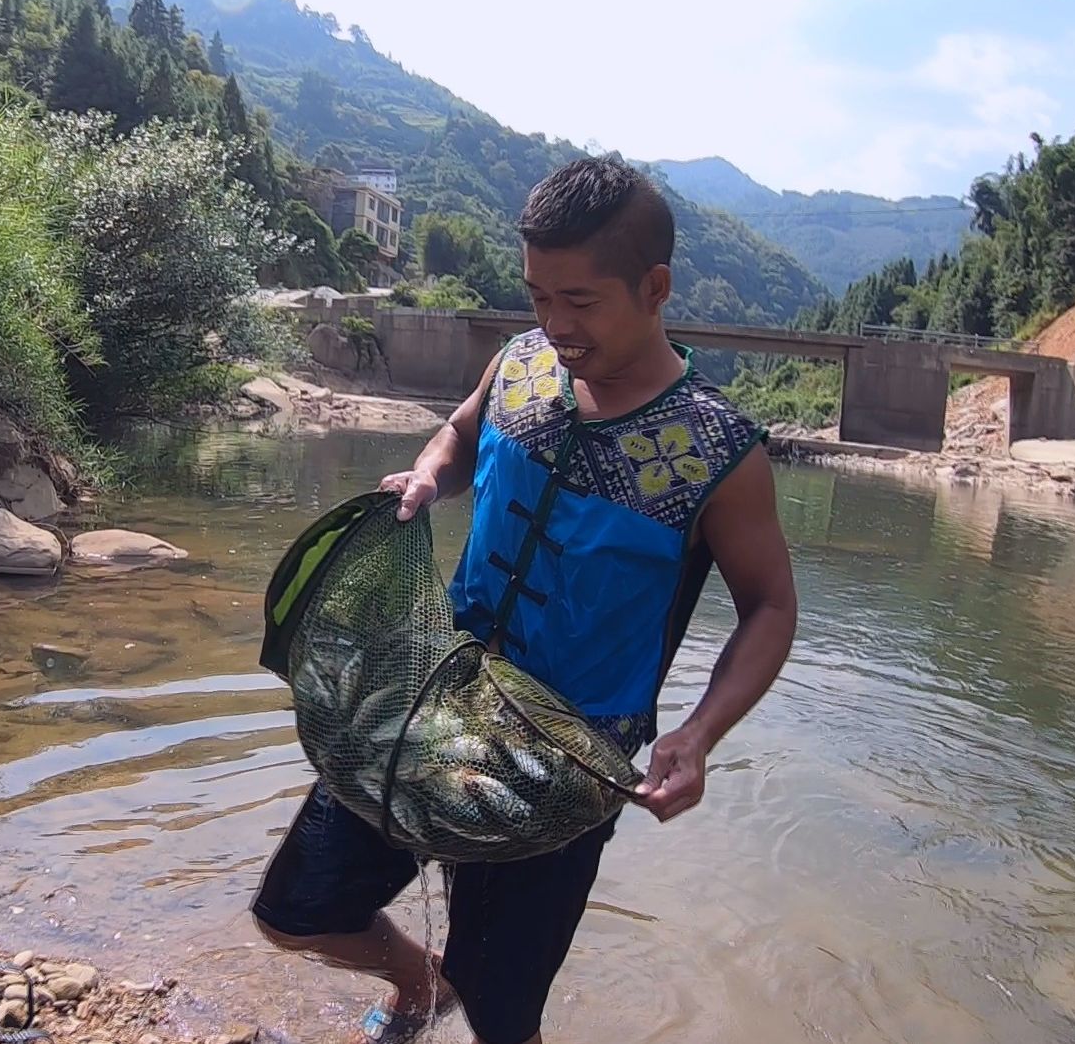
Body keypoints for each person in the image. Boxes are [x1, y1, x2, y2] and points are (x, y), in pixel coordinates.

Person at [250, 157, 799, 1044]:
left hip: (564, 765)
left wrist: (696, 737)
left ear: (654, 287)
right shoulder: (521, 363)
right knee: (294, 910)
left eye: (580, 302)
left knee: (503, 1014)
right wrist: (432, 473)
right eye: (538, 296)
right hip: (429, 705)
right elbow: (463, 430)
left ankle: (462, 990)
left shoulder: (717, 449)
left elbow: (770, 606)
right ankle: (418, 983)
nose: (554, 324)